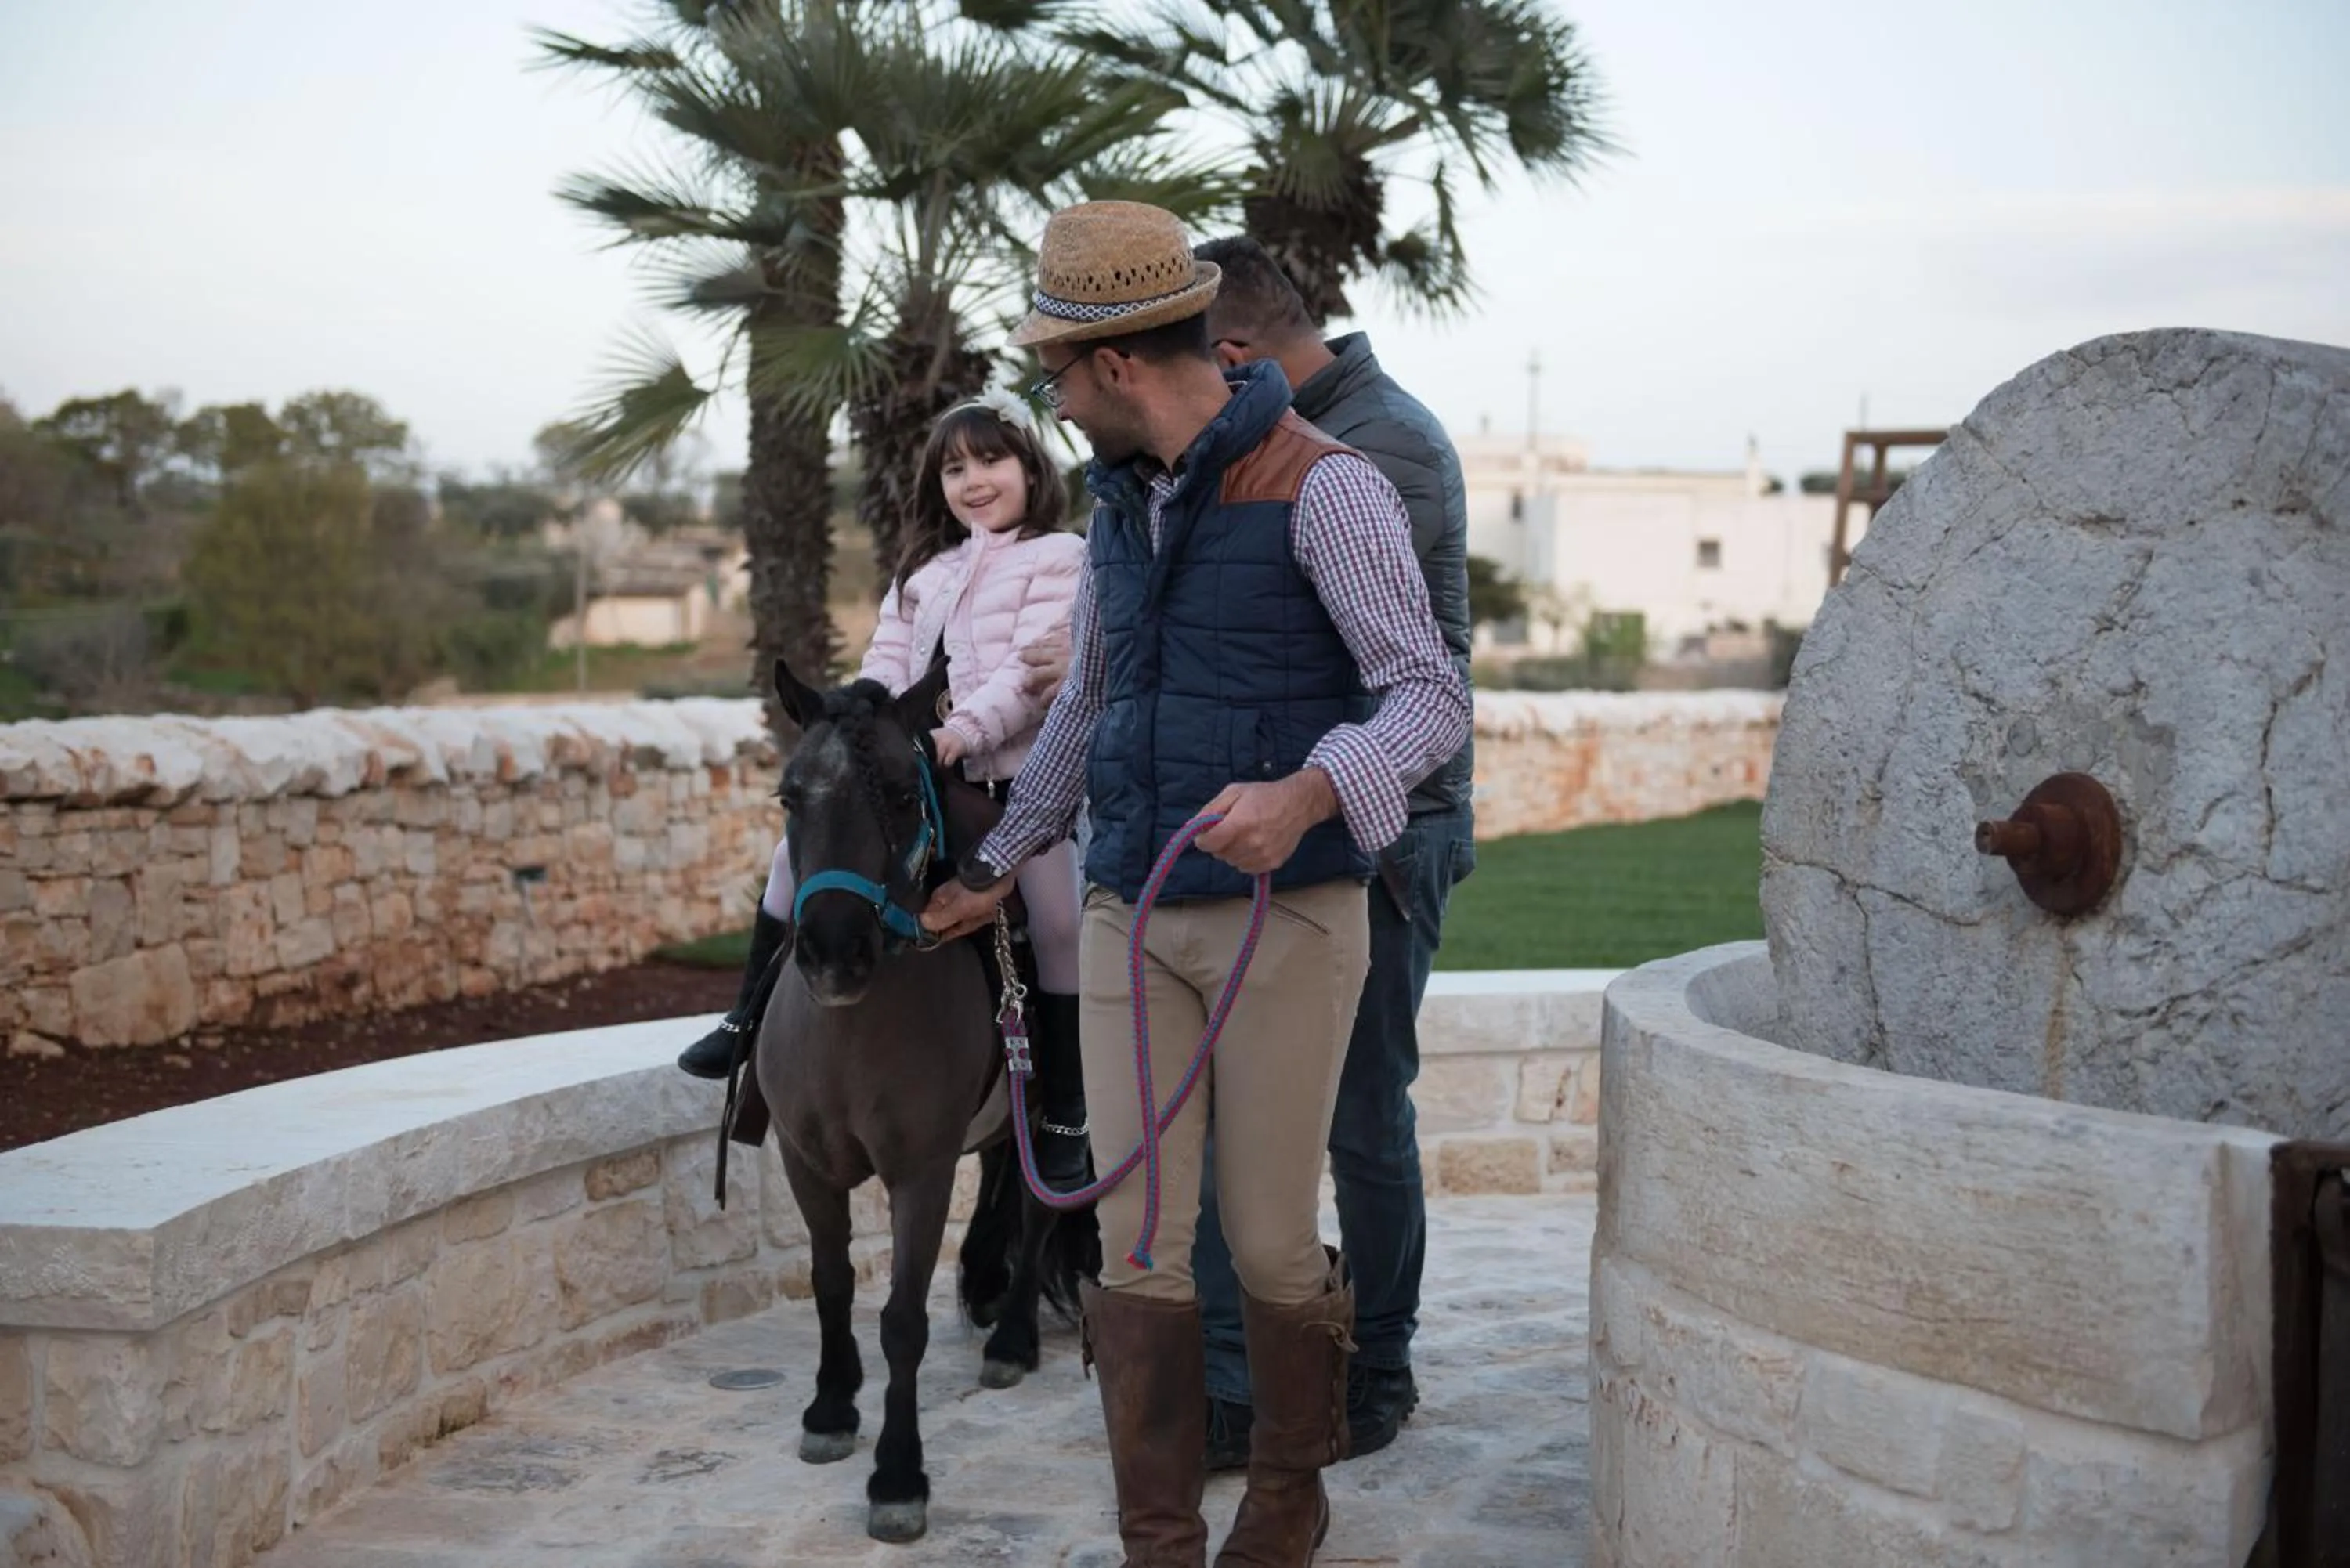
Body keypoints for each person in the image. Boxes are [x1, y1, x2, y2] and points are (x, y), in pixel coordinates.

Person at [923, 201, 1470, 1568]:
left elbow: (1427, 693)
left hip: (1290, 920)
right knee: (1138, 1244)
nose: (1052, 403)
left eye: (1055, 373)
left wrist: (1311, 790)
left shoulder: (1329, 484)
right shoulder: (1120, 505)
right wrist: (996, 863)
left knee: (1273, 1243)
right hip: (1129, 912)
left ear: (1114, 364)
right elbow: (1087, 707)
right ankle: (1158, 1541)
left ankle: (1286, 1500)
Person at [1186, 236, 1477, 1468]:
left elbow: (1354, 658)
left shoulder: (1381, 449)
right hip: (1278, 826)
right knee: (1237, 1121)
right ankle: (1235, 1380)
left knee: (1361, 1116)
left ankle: (1380, 1367)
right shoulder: (1272, 436)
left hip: (1388, 830)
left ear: (1230, 354)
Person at [675, 391, 1094, 1187]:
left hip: (1015, 790)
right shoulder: (923, 574)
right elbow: (886, 665)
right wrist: (864, 728)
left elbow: (1027, 674)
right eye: (955, 469)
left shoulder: (1060, 559)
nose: (974, 481)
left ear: (1031, 468)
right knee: (792, 861)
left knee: (1059, 916)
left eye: (991, 460)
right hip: (920, 782)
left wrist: (957, 732)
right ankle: (744, 1019)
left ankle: (1067, 1107)